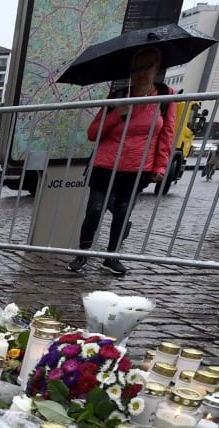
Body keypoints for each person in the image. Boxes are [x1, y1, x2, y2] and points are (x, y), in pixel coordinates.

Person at [68, 46, 175, 276]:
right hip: (105, 164)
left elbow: (166, 134)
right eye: (136, 68)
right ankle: (82, 254)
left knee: (122, 212)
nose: (141, 73)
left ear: (156, 68)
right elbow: (93, 133)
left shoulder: (166, 97)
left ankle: (112, 256)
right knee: (94, 210)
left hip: (137, 167)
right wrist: (118, 113)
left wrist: (160, 166)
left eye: (147, 67)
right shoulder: (118, 96)